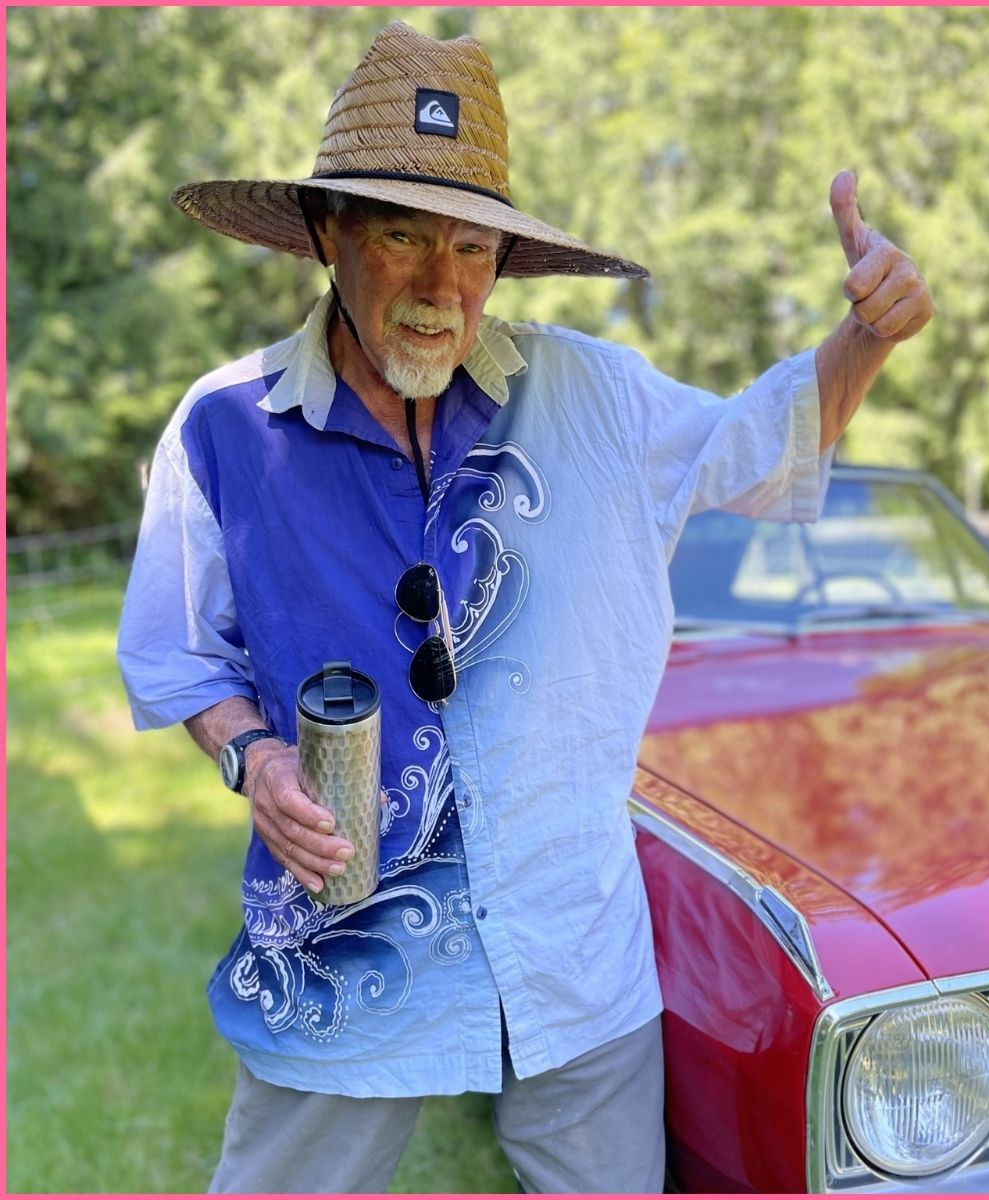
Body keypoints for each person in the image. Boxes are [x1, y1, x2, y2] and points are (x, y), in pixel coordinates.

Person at [117, 19, 932, 1196]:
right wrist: (254, 760)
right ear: (326, 233)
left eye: (474, 247)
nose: (443, 286)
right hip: (343, 942)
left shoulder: (593, 395)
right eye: (402, 236)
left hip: (570, 936)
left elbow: (760, 447)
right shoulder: (224, 427)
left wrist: (866, 331)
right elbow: (180, 654)